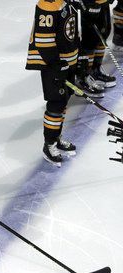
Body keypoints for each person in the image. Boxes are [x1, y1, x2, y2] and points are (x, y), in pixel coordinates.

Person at [26, 0, 80, 166]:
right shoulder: (48, 4)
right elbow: (43, 41)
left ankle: (56, 138)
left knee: (63, 102)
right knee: (56, 104)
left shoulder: (67, 2)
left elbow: (70, 35)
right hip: (53, 65)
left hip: (66, 63)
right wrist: (56, 66)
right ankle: (49, 145)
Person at [76, 0, 114, 94]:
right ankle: (85, 75)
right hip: (91, 3)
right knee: (90, 37)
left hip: (103, 2)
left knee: (103, 34)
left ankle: (95, 70)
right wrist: (86, 3)